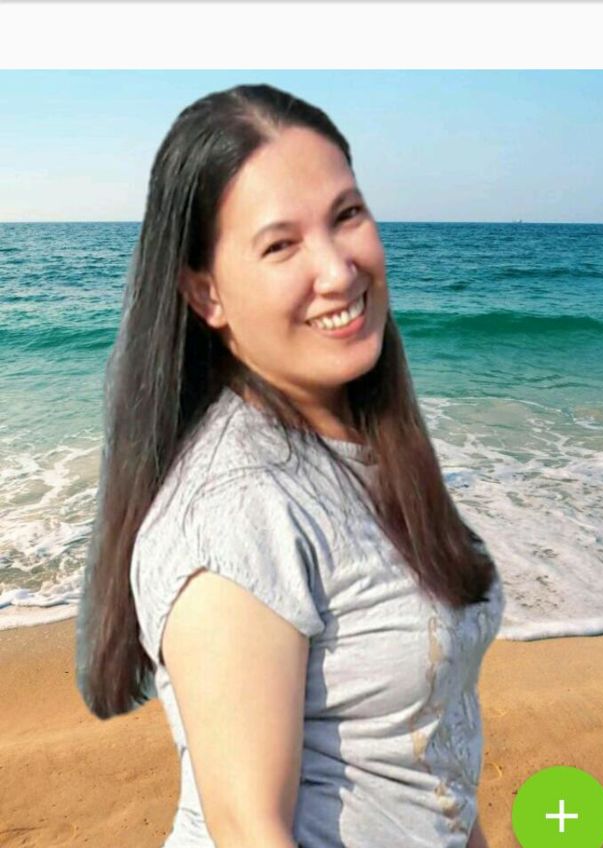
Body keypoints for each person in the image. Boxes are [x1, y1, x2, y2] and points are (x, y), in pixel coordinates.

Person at [75, 84, 503, 848]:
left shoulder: (364, 442)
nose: (337, 269)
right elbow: (251, 831)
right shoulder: (239, 510)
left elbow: (418, 759)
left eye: (346, 215)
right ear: (205, 292)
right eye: (281, 245)